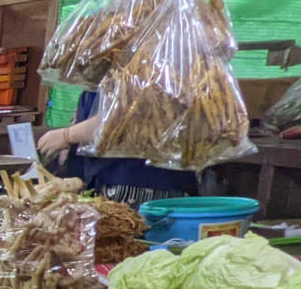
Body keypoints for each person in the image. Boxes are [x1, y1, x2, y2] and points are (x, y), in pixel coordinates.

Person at [36, 89, 200, 207]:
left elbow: (124, 116)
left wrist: (68, 135)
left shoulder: (143, 64)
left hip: (138, 180)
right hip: (111, 174)